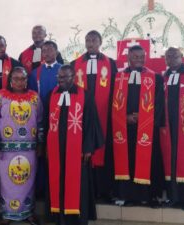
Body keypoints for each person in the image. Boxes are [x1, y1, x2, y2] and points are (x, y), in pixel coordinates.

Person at [46, 65, 103, 225]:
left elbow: (91, 123)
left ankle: (77, 217)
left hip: (77, 148)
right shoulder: (52, 94)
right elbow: (46, 121)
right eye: (59, 77)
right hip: (56, 146)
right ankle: (59, 216)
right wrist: (45, 146)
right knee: (58, 179)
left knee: (77, 182)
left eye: (65, 77)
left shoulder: (85, 95)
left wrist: (88, 148)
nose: (61, 80)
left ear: (74, 77)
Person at [0, 67, 43, 225]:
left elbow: (40, 122)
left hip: (30, 149)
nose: (20, 82)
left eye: (23, 79)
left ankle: (28, 213)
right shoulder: (0, 96)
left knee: (28, 181)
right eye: (16, 78)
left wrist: (40, 143)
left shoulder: (34, 98)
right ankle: (7, 214)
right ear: (10, 80)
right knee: (7, 183)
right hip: (5, 150)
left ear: (27, 80)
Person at [111, 45, 164, 207]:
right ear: (128, 58)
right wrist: (125, 117)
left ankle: (151, 196)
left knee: (150, 161)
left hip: (147, 127)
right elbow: (113, 103)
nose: (140, 60)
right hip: (125, 127)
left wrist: (144, 117)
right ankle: (128, 195)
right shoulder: (118, 77)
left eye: (142, 57)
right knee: (127, 160)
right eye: (136, 57)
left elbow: (160, 104)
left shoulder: (155, 77)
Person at [71, 30, 117, 200]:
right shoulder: (75, 63)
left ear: (100, 42)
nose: (90, 43)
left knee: (103, 148)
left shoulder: (110, 63)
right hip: (82, 114)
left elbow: (114, 89)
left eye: (94, 40)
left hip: (104, 111)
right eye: (88, 40)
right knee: (84, 146)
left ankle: (103, 190)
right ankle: (86, 190)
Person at [28, 40, 62, 198]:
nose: (47, 53)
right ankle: (40, 187)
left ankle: (56, 186)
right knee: (41, 151)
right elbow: (32, 95)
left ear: (56, 52)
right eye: (44, 51)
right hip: (41, 118)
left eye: (50, 50)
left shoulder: (62, 70)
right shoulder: (36, 73)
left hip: (59, 116)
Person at [161, 47, 184, 211]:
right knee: (171, 161)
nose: (171, 59)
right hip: (168, 126)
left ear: (182, 57)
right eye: (168, 57)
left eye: (174, 56)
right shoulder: (164, 77)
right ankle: (173, 197)